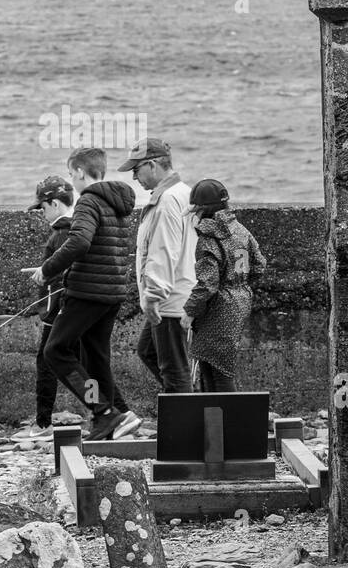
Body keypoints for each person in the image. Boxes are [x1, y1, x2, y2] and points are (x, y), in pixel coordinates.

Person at [29, 147, 141, 442]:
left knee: (56, 351)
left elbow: (79, 242)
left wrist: (48, 269)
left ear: (79, 172)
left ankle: (103, 412)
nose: (71, 179)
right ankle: (116, 416)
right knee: (95, 357)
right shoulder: (115, 203)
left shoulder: (89, 201)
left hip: (89, 291)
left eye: (70, 173)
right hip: (113, 291)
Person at [118, 137, 196, 396]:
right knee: (148, 351)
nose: (134, 177)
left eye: (136, 169)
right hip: (178, 294)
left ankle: (188, 422)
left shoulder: (167, 201)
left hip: (169, 301)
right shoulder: (184, 193)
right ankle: (191, 406)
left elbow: (163, 252)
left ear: (152, 165)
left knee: (174, 372)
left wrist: (152, 297)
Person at [180, 179, 267, 392]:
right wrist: (238, 283)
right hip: (240, 300)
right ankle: (216, 422)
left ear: (202, 210)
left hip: (219, 307)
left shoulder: (209, 238)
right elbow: (259, 265)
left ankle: (228, 421)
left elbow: (208, 283)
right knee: (215, 363)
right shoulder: (239, 229)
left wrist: (189, 311)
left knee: (218, 371)